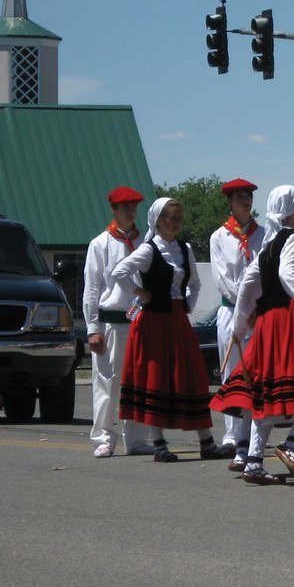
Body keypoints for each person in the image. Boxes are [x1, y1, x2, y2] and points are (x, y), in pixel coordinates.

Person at [210, 186, 294, 484]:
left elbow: (249, 285)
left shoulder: (269, 243)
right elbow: (287, 276)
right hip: (290, 320)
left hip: (269, 324)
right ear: (293, 211)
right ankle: (293, 443)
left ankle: (255, 460)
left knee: (268, 394)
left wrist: (239, 325)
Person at [111, 198, 232, 463]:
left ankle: (206, 442)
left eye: (179, 217)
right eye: (171, 217)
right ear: (158, 220)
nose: (177, 222)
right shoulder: (148, 250)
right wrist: (141, 293)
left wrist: (189, 301)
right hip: (154, 321)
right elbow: (120, 272)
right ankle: (159, 444)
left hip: (177, 319)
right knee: (157, 377)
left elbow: (196, 282)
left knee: (192, 375)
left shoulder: (184, 248)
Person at [82, 186, 154, 457]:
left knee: (138, 381)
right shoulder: (101, 243)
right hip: (111, 321)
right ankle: (102, 436)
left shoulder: (146, 242)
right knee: (108, 382)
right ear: (113, 209)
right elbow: (91, 289)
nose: (130, 210)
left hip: (140, 320)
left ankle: (136, 437)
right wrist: (92, 329)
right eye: (124, 206)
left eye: (133, 205)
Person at [209, 177, 265, 471]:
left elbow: (267, 274)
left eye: (249, 196)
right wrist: (243, 306)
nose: (246, 201)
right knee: (231, 369)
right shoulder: (219, 237)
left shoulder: (264, 235)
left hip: (258, 313)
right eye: (240, 197)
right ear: (230, 202)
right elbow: (222, 278)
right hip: (232, 311)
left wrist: (256, 307)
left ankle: (255, 431)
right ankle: (233, 434)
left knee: (256, 372)